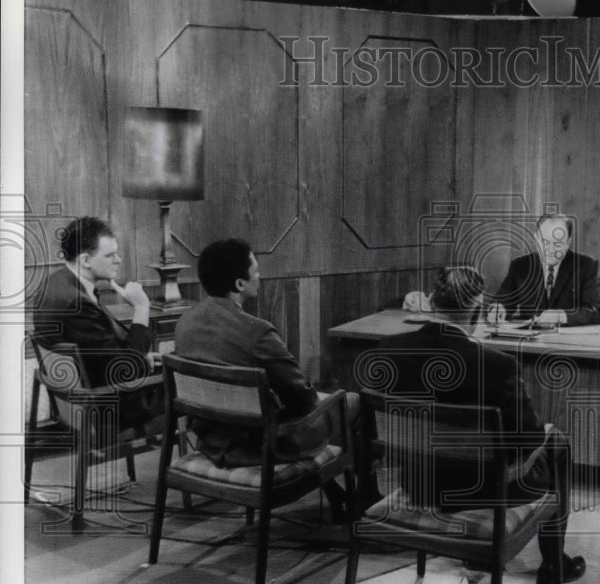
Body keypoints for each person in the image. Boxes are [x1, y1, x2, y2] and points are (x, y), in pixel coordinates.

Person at [378, 265, 586, 584]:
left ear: (432, 301)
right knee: (556, 441)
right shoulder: (497, 365)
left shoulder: (388, 350)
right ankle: (553, 564)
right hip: (486, 491)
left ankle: (479, 554)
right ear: (477, 309)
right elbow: (529, 441)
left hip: (418, 484)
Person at [173, 239, 380, 509]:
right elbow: (304, 400)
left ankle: (335, 494)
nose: (260, 276)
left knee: (300, 406)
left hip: (212, 441)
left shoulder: (184, 323)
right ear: (239, 284)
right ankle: (367, 498)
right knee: (353, 402)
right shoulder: (257, 332)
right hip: (262, 446)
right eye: (256, 271)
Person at [36, 216, 156, 432]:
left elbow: (97, 350)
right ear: (85, 260)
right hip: (109, 406)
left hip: (87, 394)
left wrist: (140, 356)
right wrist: (141, 309)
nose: (118, 260)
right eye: (110, 255)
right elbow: (125, 370)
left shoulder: (54, 283)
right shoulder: (77, 302)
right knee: (188, 387)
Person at [489, 214, 600, 327]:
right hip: (529, 340)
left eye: (558, 244)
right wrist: (497, 310)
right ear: (536, 238)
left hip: (568, 341)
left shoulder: (585, 266)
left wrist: (560, 316)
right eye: (544, 243)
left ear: (568, 242)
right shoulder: (520, 266)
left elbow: (597, 312)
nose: (550, 250)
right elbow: (502, 301)